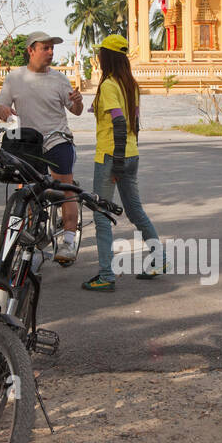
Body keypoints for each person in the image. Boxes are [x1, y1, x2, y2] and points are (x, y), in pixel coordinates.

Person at [81, 34, 163, 292]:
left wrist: (116, 164)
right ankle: (158, 260)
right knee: (135, 211)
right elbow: (133, 122)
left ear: (107, 57)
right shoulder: (131, 84)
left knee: (102, 215)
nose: (98, 56)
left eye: (101, 52)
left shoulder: (108, 85)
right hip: (131, 153)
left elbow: (118, 122)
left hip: (110, 157)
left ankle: (106, 274)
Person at [0, 31, 84, 264]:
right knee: (29, 191)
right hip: (28, 144)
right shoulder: (15, 78)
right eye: (45, 48)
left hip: (57, 139)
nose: (50, 52)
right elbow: (0, 106)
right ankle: (34, 234)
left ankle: (69, 241)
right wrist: (3, 111)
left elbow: (76, 110)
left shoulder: (60, 79)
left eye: (52, 48)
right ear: (30, 50)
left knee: (66, 189)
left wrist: (77, 101)